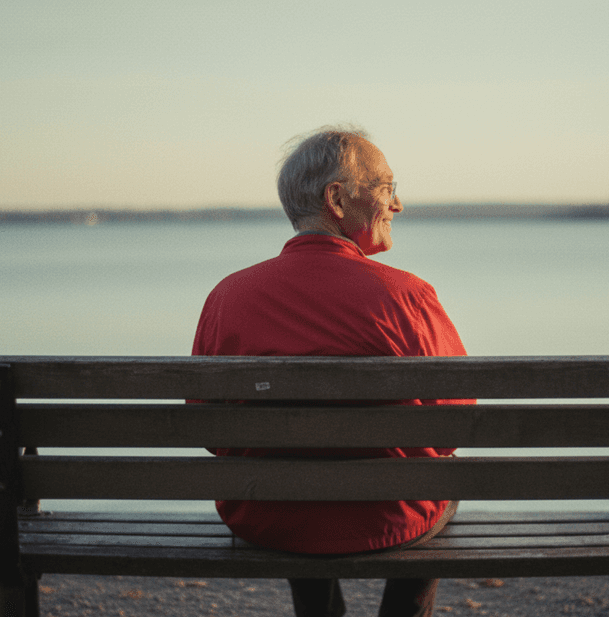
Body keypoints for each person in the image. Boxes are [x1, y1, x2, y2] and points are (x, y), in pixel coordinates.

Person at [191, 126, 471, 617]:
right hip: (389, 518)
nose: (397, 204)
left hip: (268, 516)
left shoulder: (227, 297)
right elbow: (455, 424)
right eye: (386, 187)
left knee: (291, 479)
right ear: (337, 199)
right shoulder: (406, 298)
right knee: (445, 476)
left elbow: (210, 430)